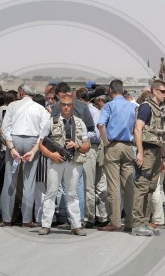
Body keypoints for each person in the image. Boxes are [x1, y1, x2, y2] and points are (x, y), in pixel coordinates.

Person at [38, 94, 90, 235]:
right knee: (51, 192)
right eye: (63, 104)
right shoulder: (51, 122)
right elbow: (40, 144)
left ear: (73, 106)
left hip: (73, 162)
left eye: (69, 105)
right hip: (56, 161)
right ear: (60, 106)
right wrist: (51, 154)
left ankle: (76, 225)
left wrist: (77, 145)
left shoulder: (80, 123)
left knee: (72, 194)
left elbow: (87, 146)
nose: (66, 107)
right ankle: (46, 225)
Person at [0, 84, 50, 227]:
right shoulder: (41, 109)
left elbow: (5, 129)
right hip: (32, 141)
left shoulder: (12, 106)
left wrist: (12, 148)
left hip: (14, 139)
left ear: (21, 92)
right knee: (29, 181)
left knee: (10, 179)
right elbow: (43, 133)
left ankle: (6, 219)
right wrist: (34, 150)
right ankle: (27, 220)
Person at [131, 80, 165, 236]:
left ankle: (145, 221)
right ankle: (137, 223)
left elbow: (160, 135)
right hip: (146, 150)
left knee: (151, 187)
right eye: (162, 91)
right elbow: (138, 129)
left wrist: (162, 157)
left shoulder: (160, 110)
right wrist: (140, 151)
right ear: (154, 91)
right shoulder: (146, 108)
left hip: (156, 151)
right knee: (142, 186)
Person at [97, 79, 136, 232]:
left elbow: (101, 125)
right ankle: (131, 221)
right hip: (128, 146)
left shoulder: (109, 106)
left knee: (113, 186)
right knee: (128, 186)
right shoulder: (132, 107)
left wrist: (106, 142)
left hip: (113, 145)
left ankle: (115, 222)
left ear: (110, 90)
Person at [78, 91, 109, 228]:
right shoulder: (95, 111)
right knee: (99, 184)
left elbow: (95, 135)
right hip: (97, 148)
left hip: (90, 149)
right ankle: (101, 216)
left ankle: (89, 217)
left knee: (89, 185)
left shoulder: (90, 111)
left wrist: (80, 136)